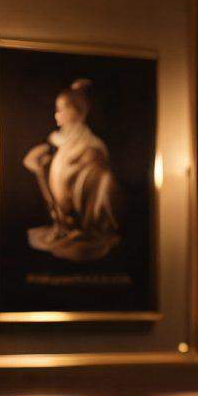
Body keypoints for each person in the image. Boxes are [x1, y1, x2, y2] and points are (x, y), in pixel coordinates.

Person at [23, 77, 120, 262]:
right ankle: (67, 226)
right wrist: (38, 166)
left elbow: (98, 176)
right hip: (62, 205)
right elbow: (30, 160)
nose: (56, 114)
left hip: (84, 206)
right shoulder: (55, 140)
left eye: (61, 109)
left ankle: (87, 229)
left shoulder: (92, 145)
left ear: (76, 111)